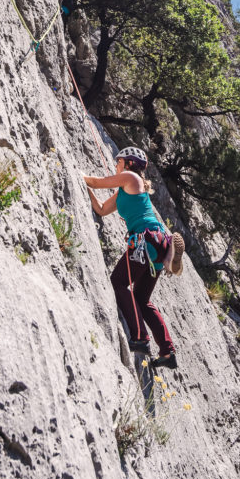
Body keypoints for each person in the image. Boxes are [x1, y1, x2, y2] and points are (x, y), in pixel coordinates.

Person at [84, 146, 185, 369]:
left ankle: (140, 337)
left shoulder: (130, 178)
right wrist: (85, 190)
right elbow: (101, 209)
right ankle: (168, 352)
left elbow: (97, 181)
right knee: (141, 299)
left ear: (129, 164)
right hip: (156, 244)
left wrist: (80, 176)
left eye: (119, 161)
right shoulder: (125, 191)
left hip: (144, 241)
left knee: (118, 283)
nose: (116, 164)